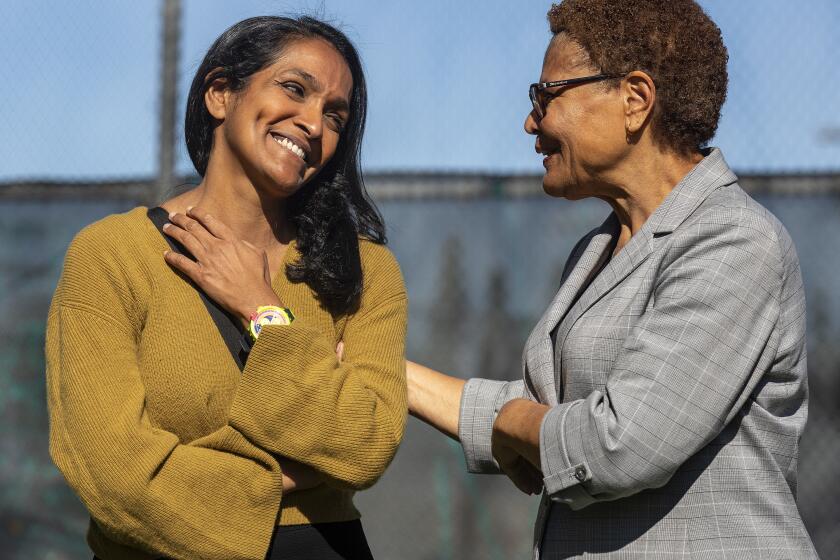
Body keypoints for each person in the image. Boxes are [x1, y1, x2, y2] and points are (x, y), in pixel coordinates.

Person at [406, 1, 817, 558]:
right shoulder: (598, 249)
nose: (532, 121)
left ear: (635, 98)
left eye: (545, 94)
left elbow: (615, 445)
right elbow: (545, 412)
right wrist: (383, 371)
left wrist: (520, 423)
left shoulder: (735, 243)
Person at [46, 16, 407, 560]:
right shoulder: (111, 254)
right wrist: (286, 471)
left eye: (335, 114)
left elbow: (367, 443)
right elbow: (114, 475)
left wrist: (263, 310)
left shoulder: (365, 272)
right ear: (220, 94)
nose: (313, 122)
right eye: (294, 88)